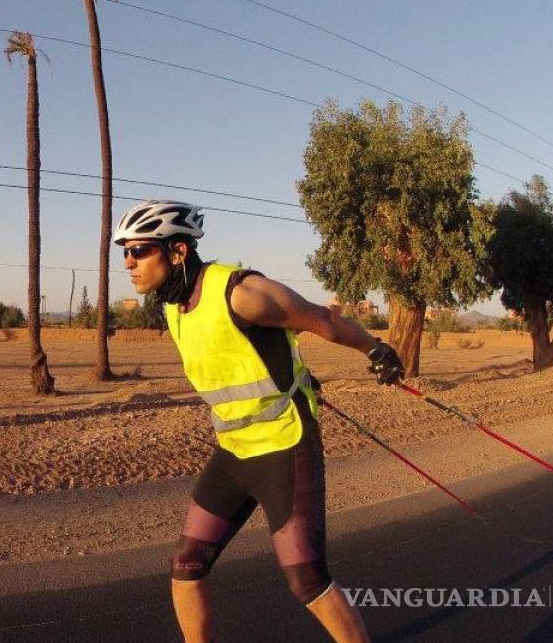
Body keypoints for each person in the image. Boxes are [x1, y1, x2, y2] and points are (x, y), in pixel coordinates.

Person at [113, 200, 404, 643]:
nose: (129, 263)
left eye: (140, 251)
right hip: (233, 450)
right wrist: (288, 370)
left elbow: (321, 320)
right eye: (125, 253)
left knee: (306, 579)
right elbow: (240, 358)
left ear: (177, 252)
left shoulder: (240, 292)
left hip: (284, 445)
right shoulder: (172, 305)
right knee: (187, 564)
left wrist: (375, 349)